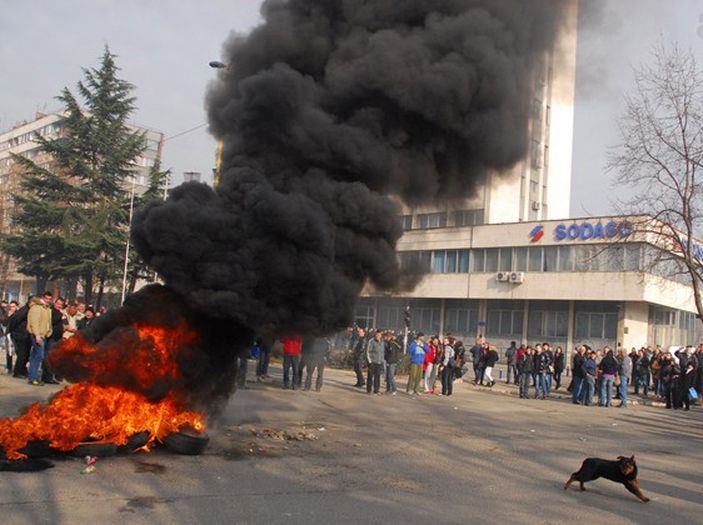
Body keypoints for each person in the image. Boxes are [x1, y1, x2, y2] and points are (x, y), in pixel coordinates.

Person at [26, 292, 53, 386]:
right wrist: (37, 335)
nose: (48, 300)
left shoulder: (47, 309)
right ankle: (33, 377)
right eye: (46, 298)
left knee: (35, 356)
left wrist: (49, 331)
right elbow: (34, 322)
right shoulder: (37, 307)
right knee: (39, 356)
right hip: (37, 335)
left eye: (50, 299)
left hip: (43, 335)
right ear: (42, 297)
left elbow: (48, 322)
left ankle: (32, 377)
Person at [42, 296, 65, 384]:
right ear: (54, 303)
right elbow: (53, 321)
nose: (59, 306)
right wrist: (60, 315)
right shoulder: (51, 311)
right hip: (51, 337)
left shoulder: (59, 312)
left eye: (61, 305)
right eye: (58, 304)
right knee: (49, 357)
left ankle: (50, 376)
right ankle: (47, 377)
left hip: (57, 338)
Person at [8, 300, 30, 378]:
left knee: (25, 355)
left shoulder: (26, 310)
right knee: (21, 354)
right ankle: (17, 372)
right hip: (20, 335)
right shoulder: (24, 311)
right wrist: (13, 332)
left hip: (25, 335)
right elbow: (14, 321)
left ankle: (22, 370)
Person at [366, 330, 385, 395]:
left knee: (377, 377)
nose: (378, 336)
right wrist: (370, 361)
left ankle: (376, 390)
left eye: (379, 335)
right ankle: (369, 390)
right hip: (372, 362)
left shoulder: (382, 342)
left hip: (379, 362)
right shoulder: (371, 341)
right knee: (370, 376)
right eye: (377, 335)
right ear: (375, 334)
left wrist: (382, 360)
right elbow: (368, 351)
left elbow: (382, 352)